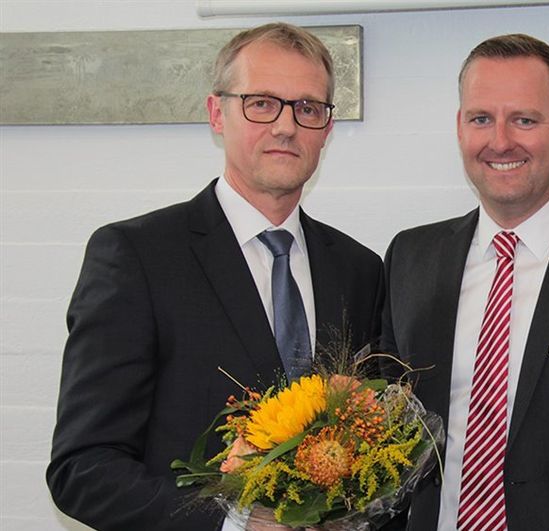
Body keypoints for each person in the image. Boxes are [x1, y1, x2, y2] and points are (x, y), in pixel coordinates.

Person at [46, 23, 384, 531]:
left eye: (308, 108)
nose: (286, 126)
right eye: (262, 103)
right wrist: (235, 523)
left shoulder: (360, 269)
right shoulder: (137, 256)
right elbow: (83, 469)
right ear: (216, 114)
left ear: (326, 129)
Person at [380, 34, 549, 530]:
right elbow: (383, 427)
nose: (500, 140)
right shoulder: (410, 257)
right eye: (480, 118)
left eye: (524, 120)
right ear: (459, 127)